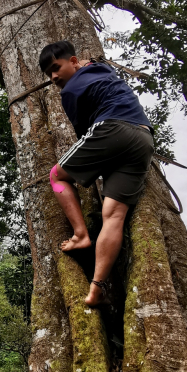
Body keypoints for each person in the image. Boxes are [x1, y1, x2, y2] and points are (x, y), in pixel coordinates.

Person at [39, 40, 154, 307]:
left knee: (57, 176)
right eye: (49, 74)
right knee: (114, 215)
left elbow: (84, 133)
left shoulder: (70, 92)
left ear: (74, 61)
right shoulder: (104, 70)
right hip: (143, 140)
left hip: (111, 129)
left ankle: (80, 235)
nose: (55, 77)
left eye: (57, 68)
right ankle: (97, 286)